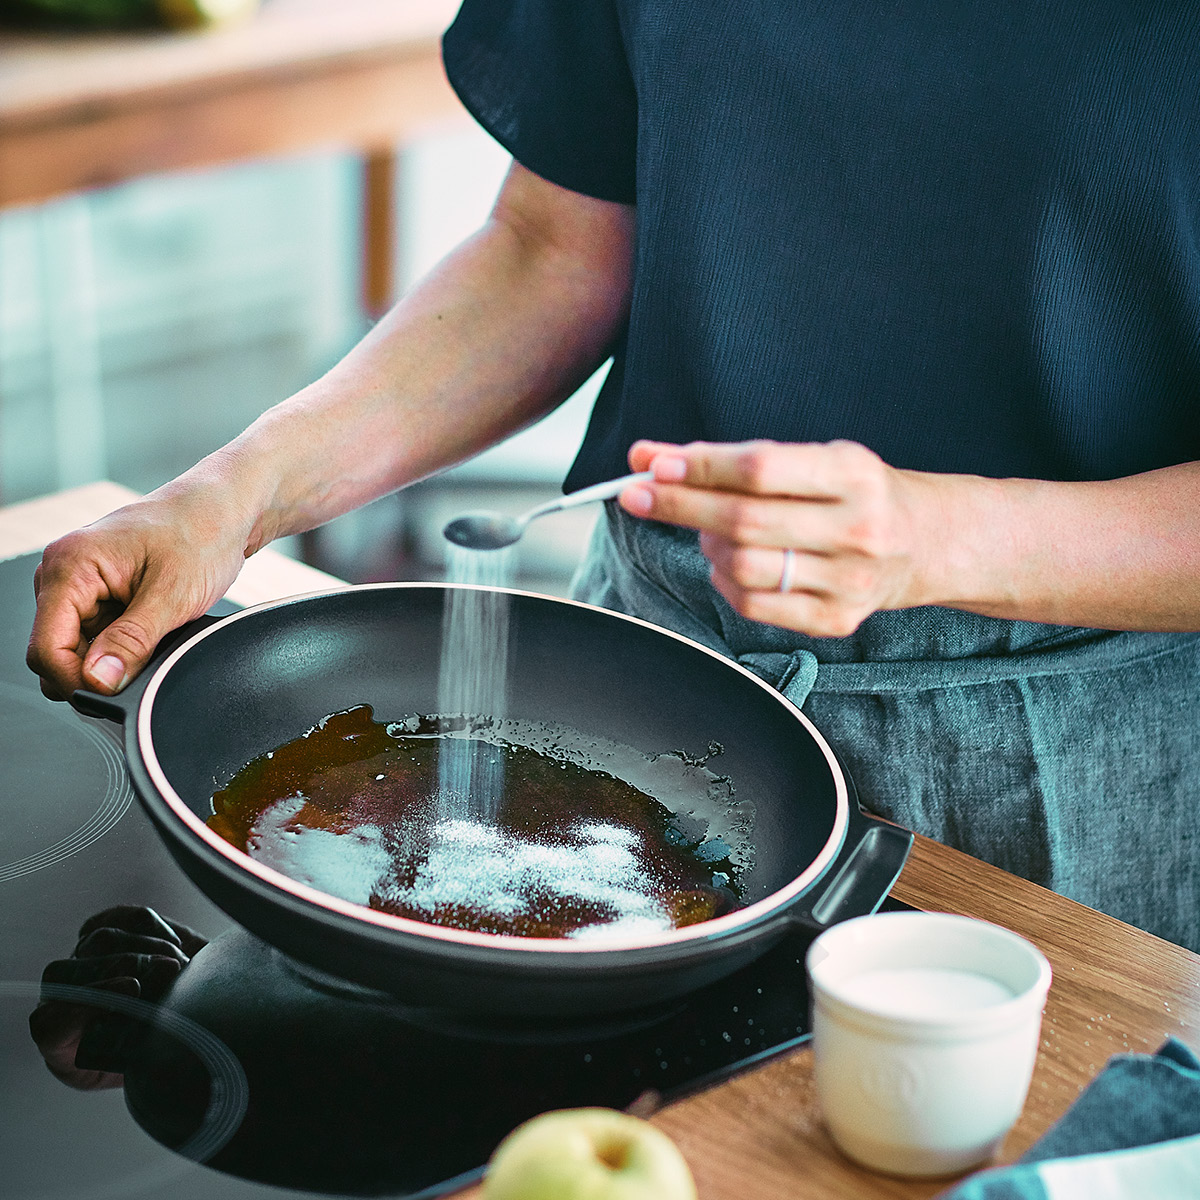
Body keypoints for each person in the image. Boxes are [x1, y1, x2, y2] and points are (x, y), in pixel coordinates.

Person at [28, 1, 1200, 951]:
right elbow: (552, 249)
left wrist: (945, 539)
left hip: (1060, 757)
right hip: (651, 669)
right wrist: (233, 496)